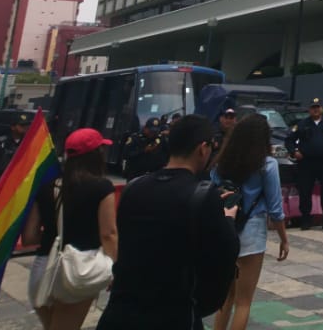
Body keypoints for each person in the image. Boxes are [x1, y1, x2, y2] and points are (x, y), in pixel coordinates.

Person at [97, 115, 239, 330]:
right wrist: (227, 219)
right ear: (202, 148)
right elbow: (225, 254)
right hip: (172, 313)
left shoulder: (134, 188)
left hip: (122, 310)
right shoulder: (203, 194)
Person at [23, 128, 118, 330]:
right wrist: (113, 269)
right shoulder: (102, 187)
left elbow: (30, 237)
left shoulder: (47, 187)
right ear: (96, 155)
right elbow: (108, 234)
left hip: (42, 271)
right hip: (77, 272)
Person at [211, 114, 289, 330]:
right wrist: (284, 239)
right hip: (252, 231)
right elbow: (275, 209)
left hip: (224, 229)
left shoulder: (221, 163)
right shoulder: (267, 165)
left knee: (225, 298)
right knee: (243, 302)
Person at [286, 98, 323, 230]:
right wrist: (294, 152)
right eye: (313, 107)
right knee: (305, 192)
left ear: (321, 109)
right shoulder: (302, 124)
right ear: (309, 109)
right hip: (307, 163)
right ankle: (306, 221)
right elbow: (289, 140)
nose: (315, 109)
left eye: (317, 107)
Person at [0, 111, 30, 179]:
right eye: (21, 125)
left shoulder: (28, 144)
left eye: (26, 125)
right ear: (13, 127)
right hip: (0, 180)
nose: (25, 128)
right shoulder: (0, 143)